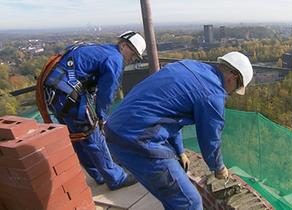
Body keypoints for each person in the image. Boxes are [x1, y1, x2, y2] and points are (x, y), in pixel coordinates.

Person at [104, 52, 254, 209]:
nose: (230, 93)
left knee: (173, 197)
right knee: (189, 202)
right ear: (234, 76)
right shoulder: (213, 93)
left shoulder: (188, 66)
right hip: (138, 140)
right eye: (235, 89)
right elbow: (210, 139)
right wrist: (219, 168)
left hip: (114, 130)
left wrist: (180, 151)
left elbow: (169, 113)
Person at [38, 31, 146, 190]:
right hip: (70, 98)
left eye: (136, 57)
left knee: (78, 137)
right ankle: (116, 178)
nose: (132, 59)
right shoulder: (115, 59)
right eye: (133, 53)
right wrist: (101, 117)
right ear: (123, 45)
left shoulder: (103, 49)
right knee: (92, 135)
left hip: (57, 96)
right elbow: (107, 93)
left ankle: (98, 174)